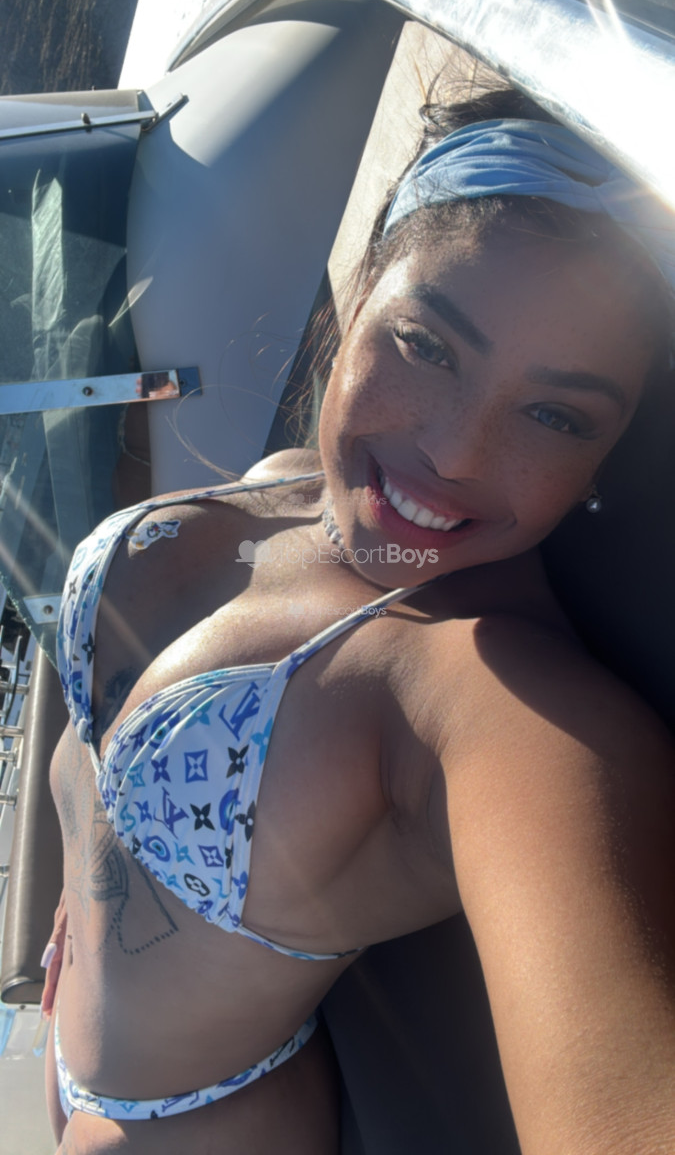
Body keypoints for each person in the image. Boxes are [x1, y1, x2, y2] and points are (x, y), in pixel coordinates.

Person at [42, 84, 675, 1154]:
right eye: (427, 345)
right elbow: (91, 749)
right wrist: (67, 913)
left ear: (607, 456)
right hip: (71, 1049)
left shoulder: (494, 708)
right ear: (361, 287)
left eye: (554, 414)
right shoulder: (285, 483)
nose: (455, 455)